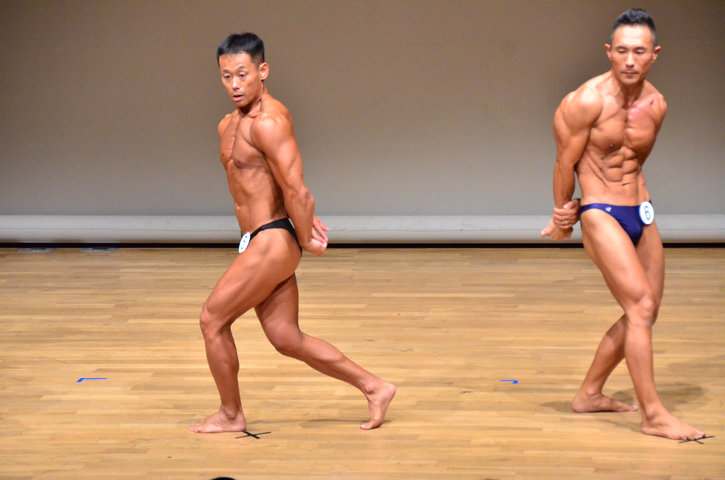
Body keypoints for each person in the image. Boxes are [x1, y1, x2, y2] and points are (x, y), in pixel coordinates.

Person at [190, 33, 396, 433]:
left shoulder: (270, 121)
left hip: (272, 240)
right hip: (258, 239)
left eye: (243, 74)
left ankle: (230, 415)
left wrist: (303, 237)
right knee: (286, 337)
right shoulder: (227, 124)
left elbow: (297, 188)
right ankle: (375, 387)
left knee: (211, 319)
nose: (234, 84)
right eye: (226, 76)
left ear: (263, 71)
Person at [540, 9, 705, 440]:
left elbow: (633, 163)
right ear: (609, 52)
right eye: (622, 51)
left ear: (654, 54)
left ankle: (589, 394)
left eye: (639, 51)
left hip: (641, 211)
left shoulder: (657, 104)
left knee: (646, 311)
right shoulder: (585, 101)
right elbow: (564, 163)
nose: (630, 60)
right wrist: (563, 214)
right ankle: (653, 415)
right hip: (600, 211)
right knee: (640, 308)